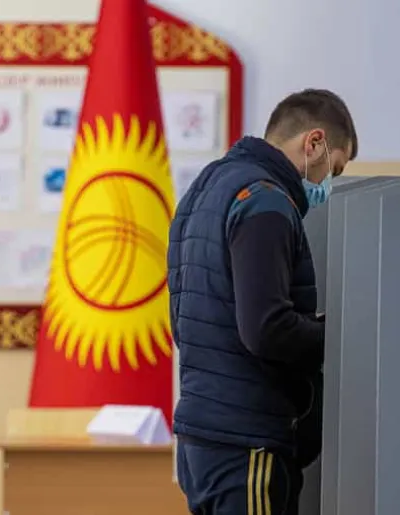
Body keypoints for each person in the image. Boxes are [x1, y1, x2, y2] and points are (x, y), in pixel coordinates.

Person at [167, 89, 357, 515]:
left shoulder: (207, 188)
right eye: (335, 168)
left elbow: (189, 315)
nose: (328, 184)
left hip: (204, 433)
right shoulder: (265, 200)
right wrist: (344, 334)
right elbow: (267, 328)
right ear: (314, 142)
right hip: (246, 439)